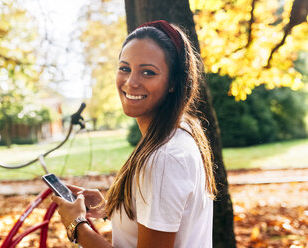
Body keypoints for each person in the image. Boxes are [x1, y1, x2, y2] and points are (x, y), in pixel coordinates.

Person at [51, 20, 217, 248]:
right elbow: (171, 212)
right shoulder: (182, 129)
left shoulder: (165, 157)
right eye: (124, 68)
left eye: (148, 72)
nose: (131, 82)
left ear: (172, 83)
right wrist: (113, 207)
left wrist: (77, 226)